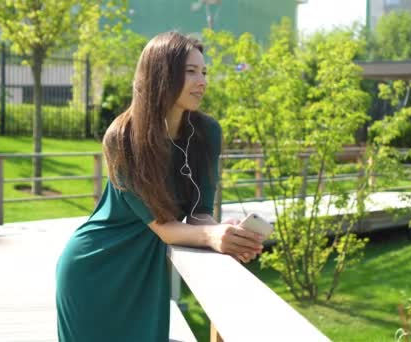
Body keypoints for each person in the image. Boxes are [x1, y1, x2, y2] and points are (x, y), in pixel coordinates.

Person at [55, 32, 264, 341]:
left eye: (204, 72)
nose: (202, 80)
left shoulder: (207, 133)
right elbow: (164, 227)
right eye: (191, 71)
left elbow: (200, 213)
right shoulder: (123, 138)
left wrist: (226, 234)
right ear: (162, 73)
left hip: (144, 271)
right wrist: (212, 235)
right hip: (93, 270)